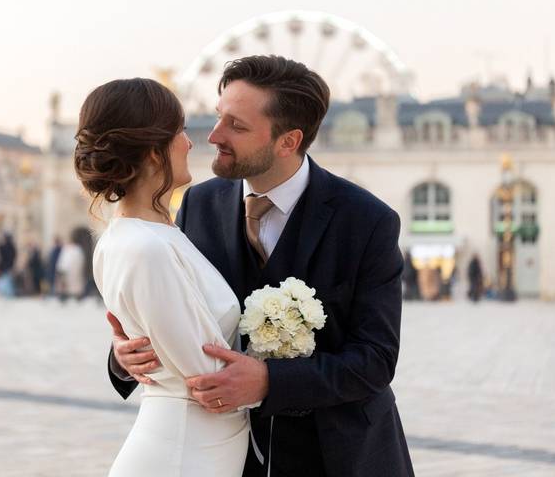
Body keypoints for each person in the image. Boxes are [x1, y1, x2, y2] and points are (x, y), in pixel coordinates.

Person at [108, 56, 414, 477]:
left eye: (237, 126)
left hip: (339, 457)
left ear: (288, 141)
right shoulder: (199, 204)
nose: (213, 136)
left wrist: (271, 381)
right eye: (219, 117)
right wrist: (125, 357)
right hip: (229, 459)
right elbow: (175, 308)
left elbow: (376, 359)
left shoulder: (367, 221)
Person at [77, 78, 249, 476]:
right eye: (180, 132)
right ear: (154, 153)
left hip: (195, 444)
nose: (190, 143)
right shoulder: (146, 247)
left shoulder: (137, 236)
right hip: (186, 453)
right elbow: (211, 379)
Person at [55, 234, 86, 302]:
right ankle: (63, 296)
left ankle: (78, 296)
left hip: (74, 270)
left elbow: (80, 259)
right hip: (65, 270)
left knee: (76, 285)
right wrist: (60, 267)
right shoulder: (66, 248)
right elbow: (62, 259)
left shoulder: (77, 249)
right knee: (64, 284)